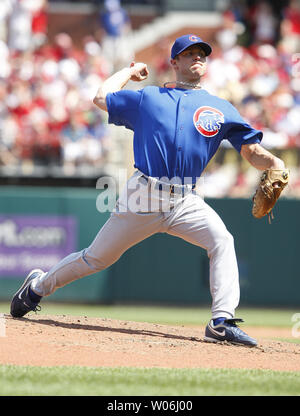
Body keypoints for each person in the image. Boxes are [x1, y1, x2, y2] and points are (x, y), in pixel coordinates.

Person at [10, 34, 286, 347]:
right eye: (189, 53)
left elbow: (250, 151)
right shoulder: (148, 98)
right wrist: (128, 73)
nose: (197, 57)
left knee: (222, 241)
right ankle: (37, 287)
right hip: (144, 195)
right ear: (174, 62)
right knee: (95, 259)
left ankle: (221, 321)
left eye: (202, 54)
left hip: (186, 200)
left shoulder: (219, 108)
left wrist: (274, 161)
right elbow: (101, 97)